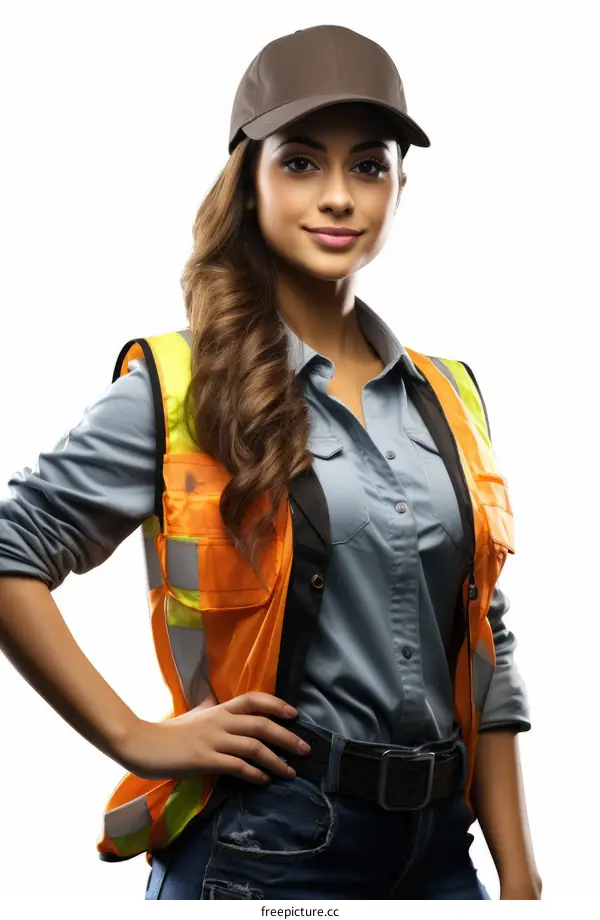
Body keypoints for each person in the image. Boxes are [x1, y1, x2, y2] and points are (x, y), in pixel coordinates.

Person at [0, 24, 541, 900]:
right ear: (248, 180)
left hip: (442, 853)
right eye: (300, 162)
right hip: (267, 845)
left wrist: (517, 875)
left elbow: (483, 635)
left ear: (400, 186)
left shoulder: (450, 395)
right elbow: (10, 550)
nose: (337, 196)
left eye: (368, 165)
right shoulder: (178, 387)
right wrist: (137, 737)